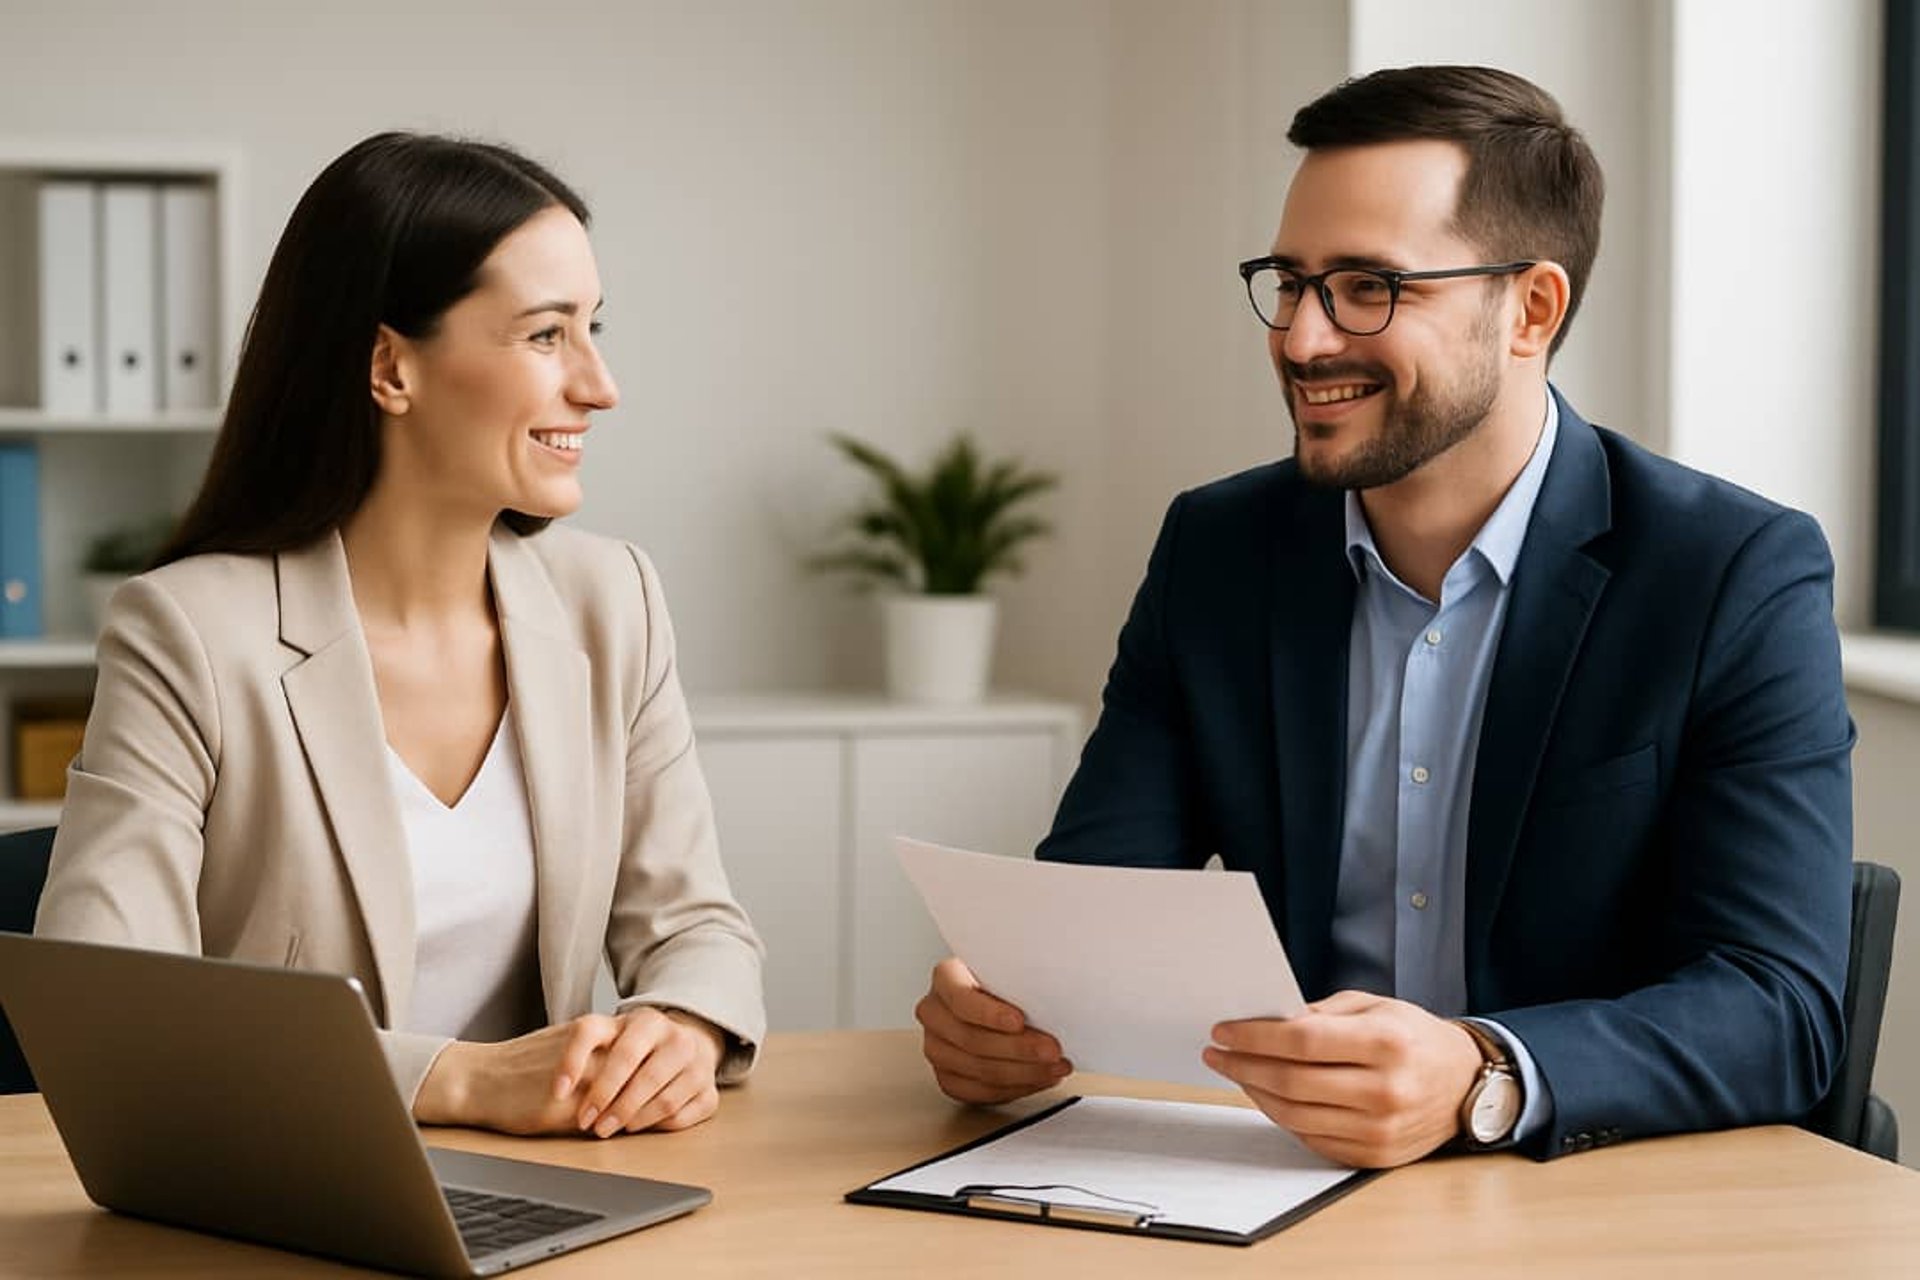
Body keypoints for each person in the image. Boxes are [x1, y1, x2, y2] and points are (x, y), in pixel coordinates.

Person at [915, 65, 1853, 1168]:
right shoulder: (1218, 551)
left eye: (1368, 286)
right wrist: (1005, 1018)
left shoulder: (1731, 572)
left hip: (1588, 1200)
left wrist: (1484, 1072)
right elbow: (1091, 905)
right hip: (1283, 1183)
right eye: (1292, 280)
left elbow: (1779, 1003)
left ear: (1530, 309)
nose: (1304, 339)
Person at [36, 132, 765, 1139]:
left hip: (551, 1192)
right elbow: (117, 1007)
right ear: (390, 366)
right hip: (286, 1185)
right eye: (547, 336)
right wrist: (456, 1080)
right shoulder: (190, 633)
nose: (600, 384)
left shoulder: (613, 602)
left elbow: (697, 925)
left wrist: (679, 1026)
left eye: (594, 329)